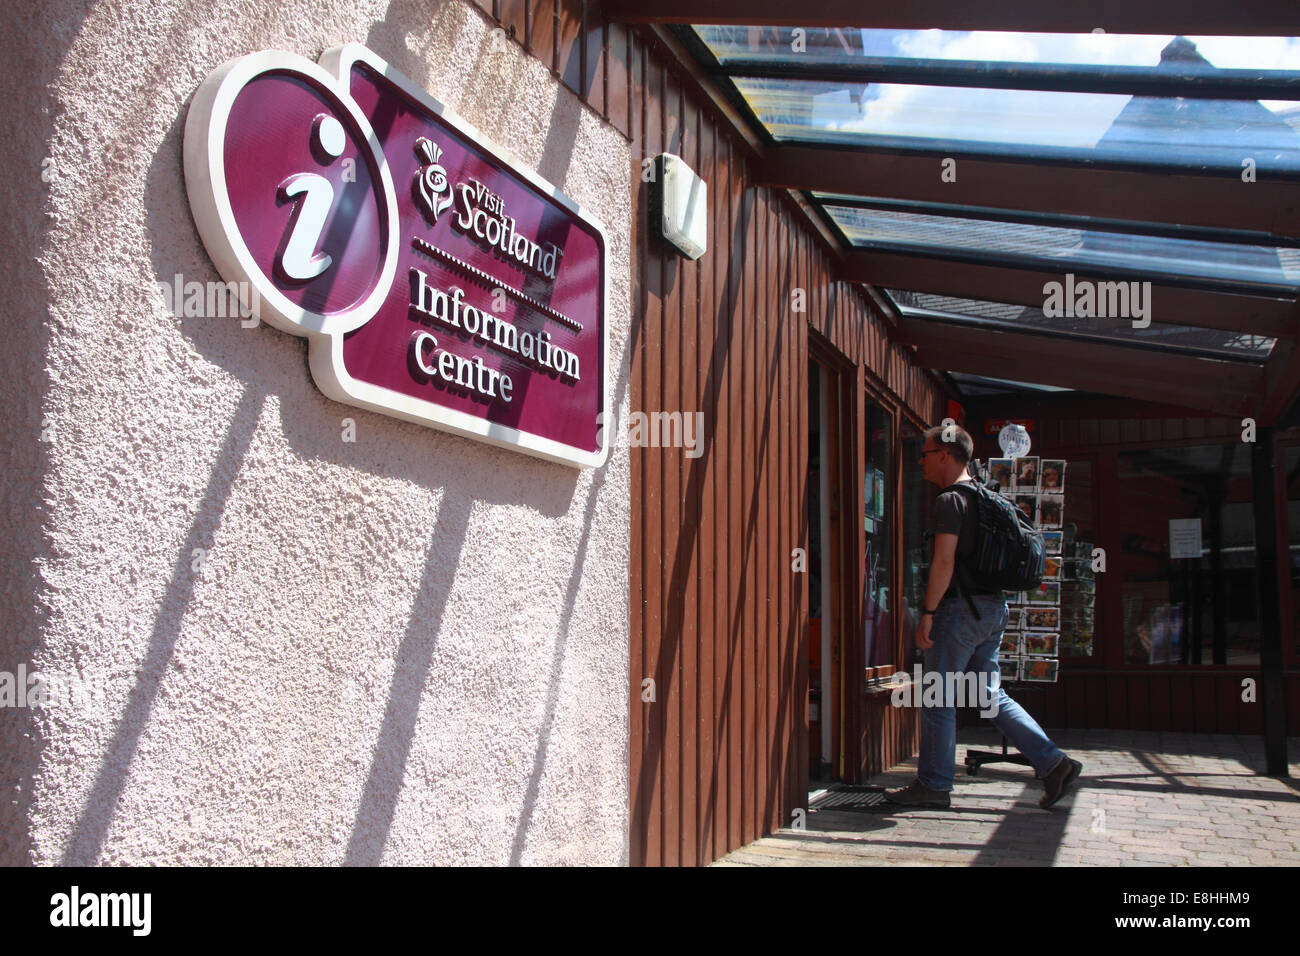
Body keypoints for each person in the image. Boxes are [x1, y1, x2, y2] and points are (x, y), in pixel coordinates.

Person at [885, 424, 1082, 810]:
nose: (920, 462)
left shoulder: (950, 502)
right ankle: (1053, 763)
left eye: (924, 454)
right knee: (989, 695)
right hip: (993, 610)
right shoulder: (986, 497)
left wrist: (927, 614)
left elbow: (943, 562)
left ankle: (935, 785)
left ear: (944, 455)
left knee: (938, 698)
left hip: (959, 611)